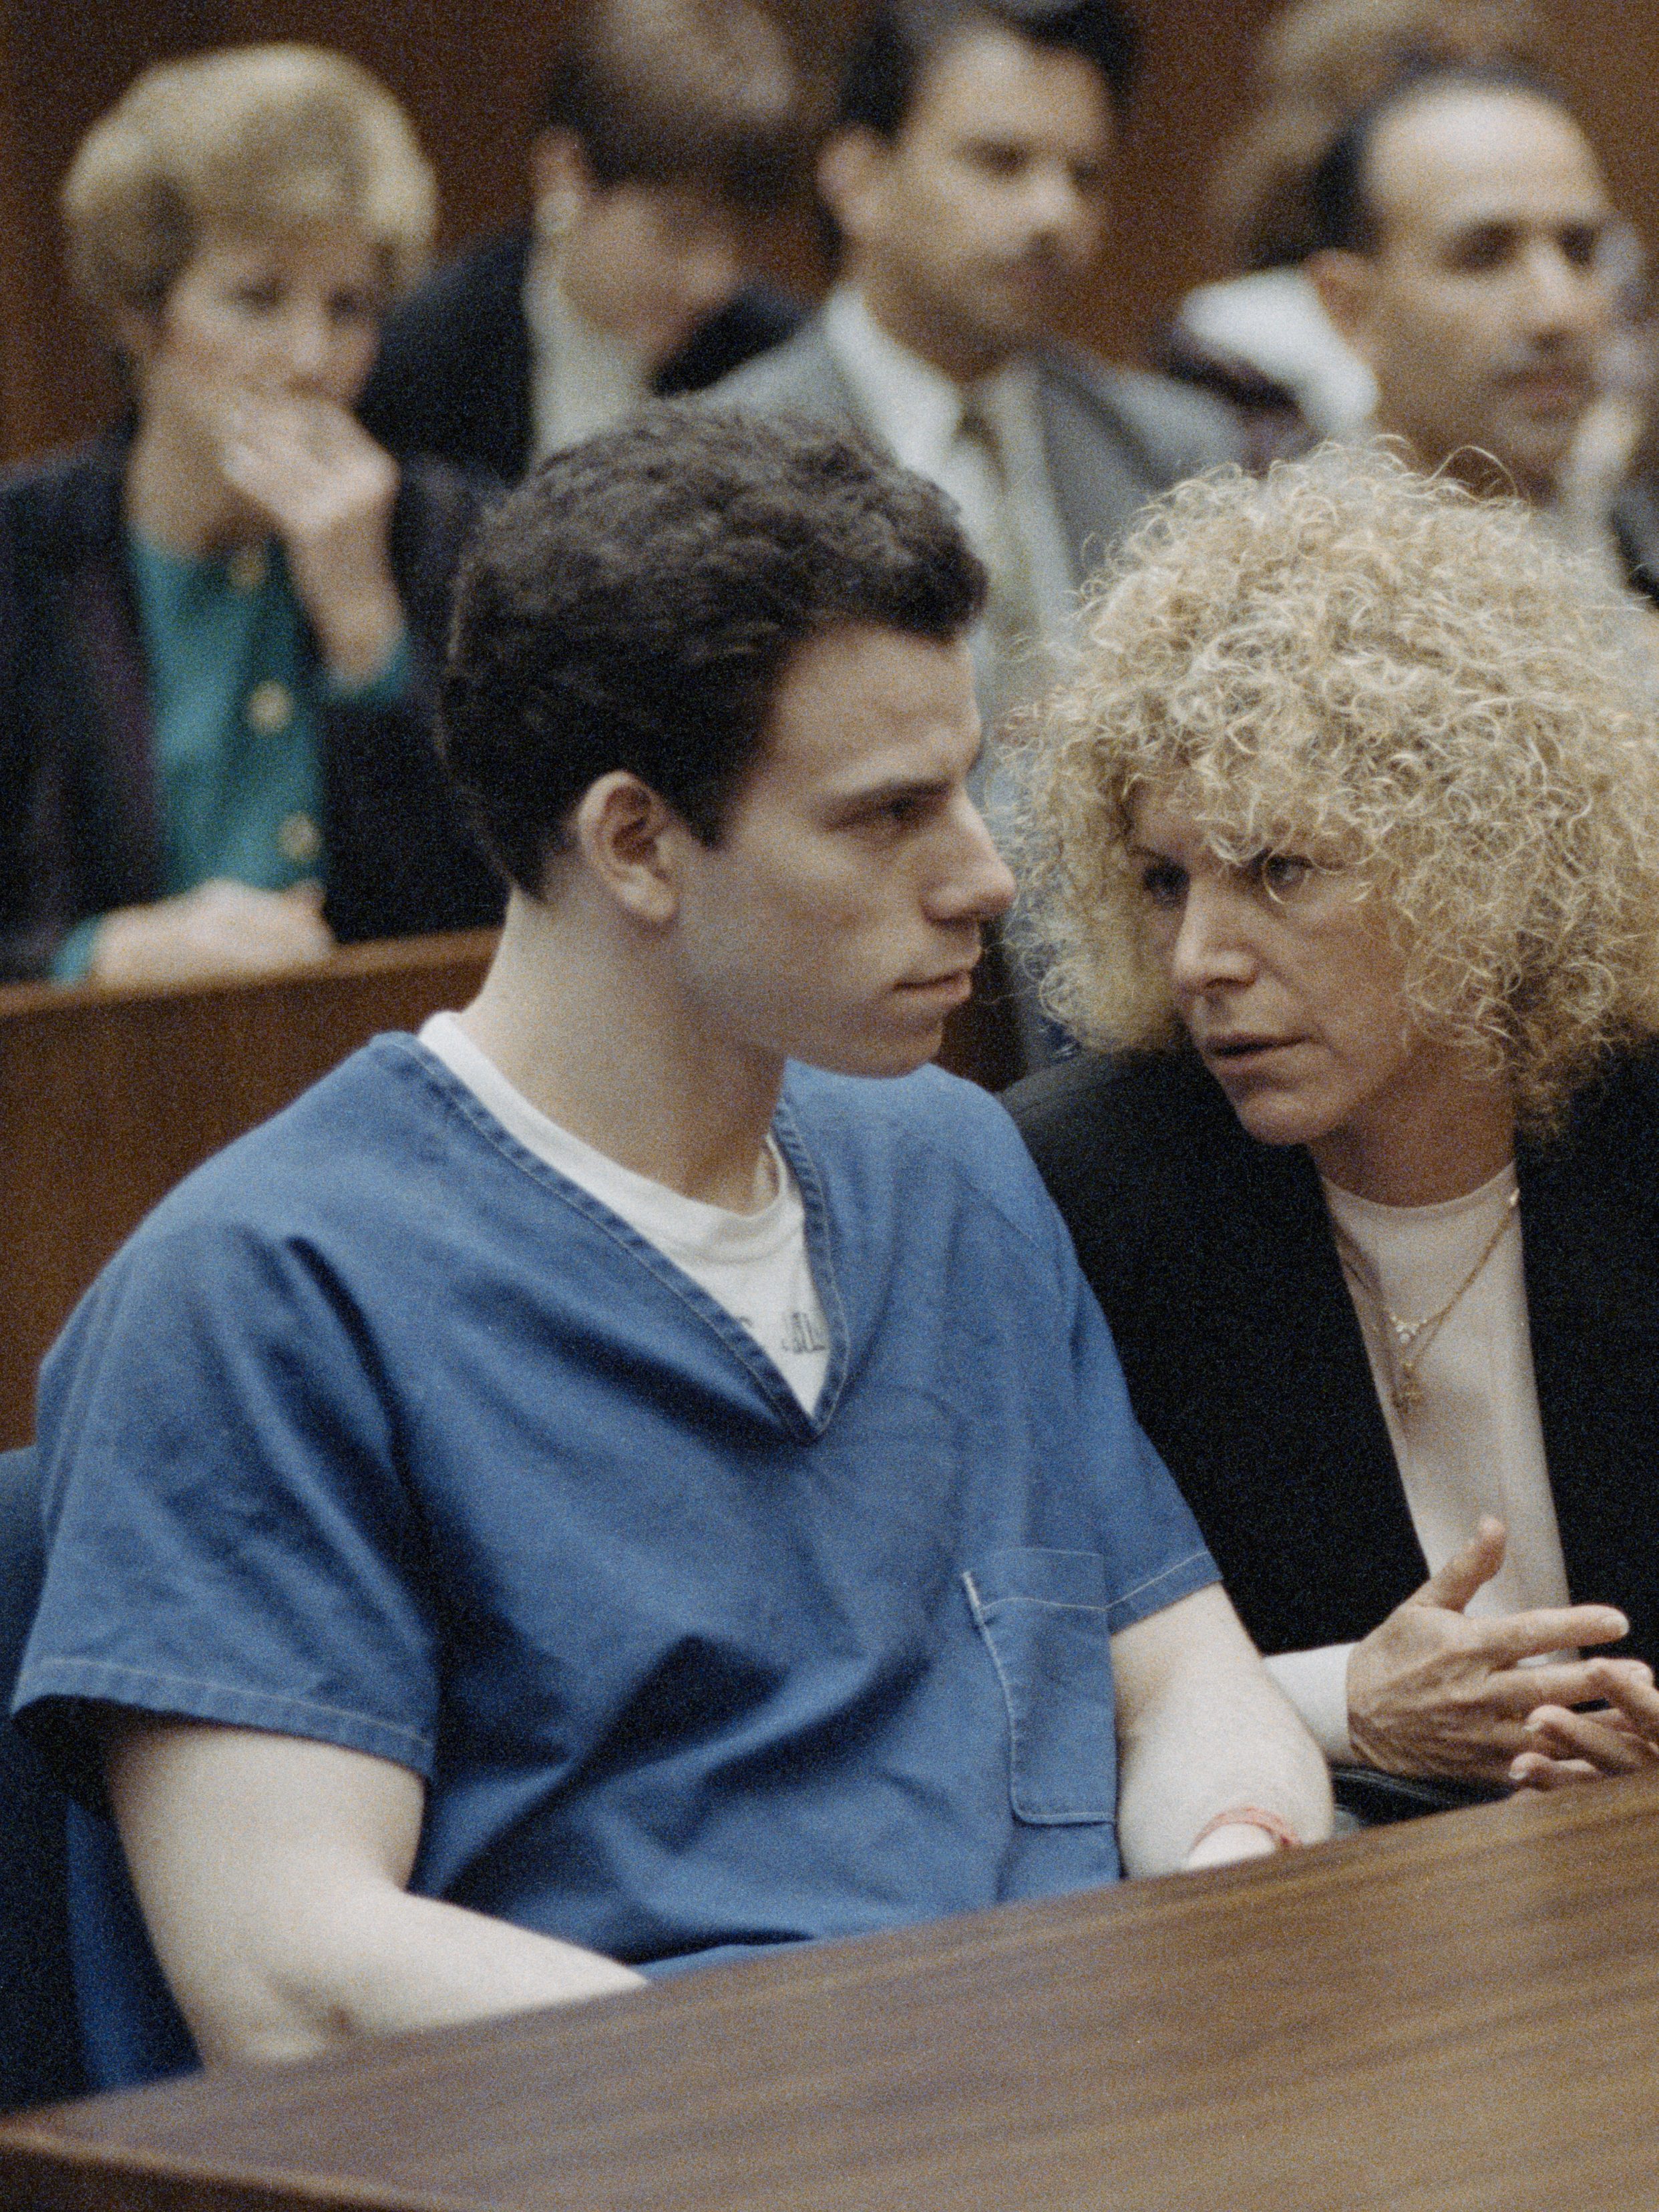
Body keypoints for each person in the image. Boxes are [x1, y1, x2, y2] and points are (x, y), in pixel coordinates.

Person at [13, 406, 1329, 2075]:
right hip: (637, 2136)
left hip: (1083, 2098)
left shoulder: (948, 1166)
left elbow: (1182, 1682)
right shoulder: (263, 1293)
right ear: (635, 843)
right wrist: (814, 2098)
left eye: (966, 785)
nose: (984, 876)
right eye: (887, 815)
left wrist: (1225, 1885)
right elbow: (287, 1965)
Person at [1005, 443, 1659, 1788]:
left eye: (1279, 870)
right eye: (1165, 882)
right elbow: (1005, 1664)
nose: (1199, 960)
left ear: (1479, 862)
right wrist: (1334, 1704)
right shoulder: (1082, 1193)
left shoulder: (1634, 1128)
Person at [0, 45, 503, 988]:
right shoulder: (20, 553)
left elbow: (504, 923)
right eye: (257, 299)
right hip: (97, 1069)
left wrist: (367, 635)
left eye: (348, 307)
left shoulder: (453, 539)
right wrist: (94, 957)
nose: (310, 357)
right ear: (142, 316)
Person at [712, 0, 1242, 734]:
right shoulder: (724, 466)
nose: (1054, 212)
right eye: (1000, 162)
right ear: (859, 179)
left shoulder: (1177, 453)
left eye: (1084, 176)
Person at [355, 0, 805, 482]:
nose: (713, 284)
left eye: (742, 240)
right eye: (679, 230)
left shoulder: (778, 356)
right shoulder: (424, 357)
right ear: (565, 172)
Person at [1299, 59, 1658, 587]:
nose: (1556, 312)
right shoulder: (1295, 589)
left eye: (1580, 250)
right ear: (1352, 308)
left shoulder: (1632, 533)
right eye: (1483, 258)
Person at [1161, 0, 1548, 460]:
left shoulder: (1586, 294)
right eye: (1428, 76)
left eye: (1500, 74)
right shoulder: (1240, 340)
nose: (1480, 109)